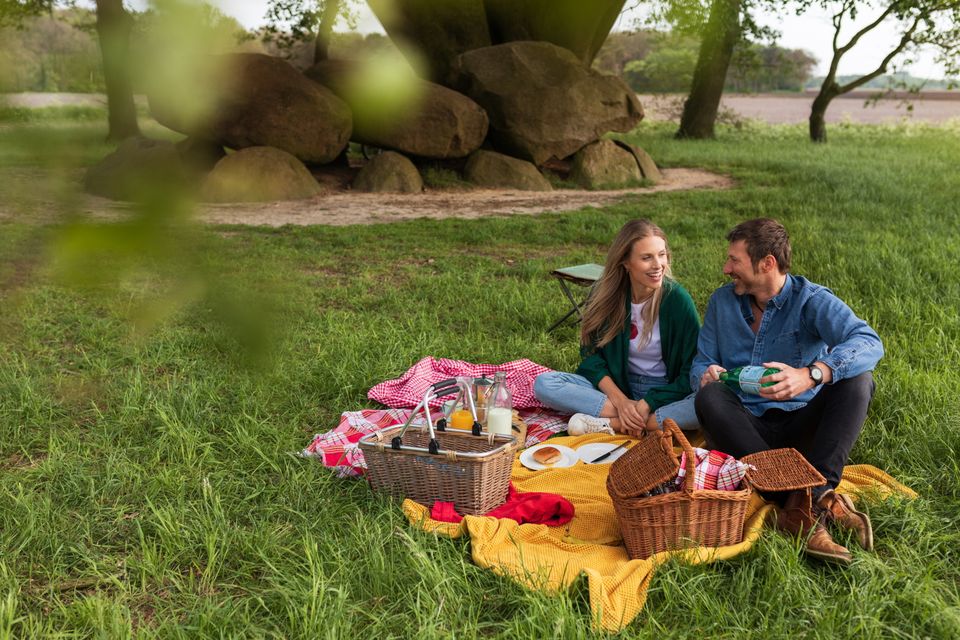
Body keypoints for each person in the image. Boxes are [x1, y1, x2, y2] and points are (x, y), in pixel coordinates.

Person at [691, 218, 884, 565]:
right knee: (710, 396)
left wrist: (812, 374)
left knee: (859, 380)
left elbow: (869, 341)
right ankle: (815, 499)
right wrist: (706, 375)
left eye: (734, 260)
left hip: (801, 429)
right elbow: (701, 362)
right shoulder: (722, 303)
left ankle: (805, 499)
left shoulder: (810, 300)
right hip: (744, 432)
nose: (726, 268)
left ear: (767, 263)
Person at [534, 219, 701, 436]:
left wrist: (648, 403)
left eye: (661, 255)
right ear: (626, 262)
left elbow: (691, 369)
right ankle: (645, 422)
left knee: (706, 403)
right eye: (646, 257)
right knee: (544, 384)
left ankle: (613, 424)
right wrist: (621, 401)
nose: (658, 265)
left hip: (665, 392)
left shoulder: (677, 300)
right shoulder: (605, 295)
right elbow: (590, 356)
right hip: (615, 387)